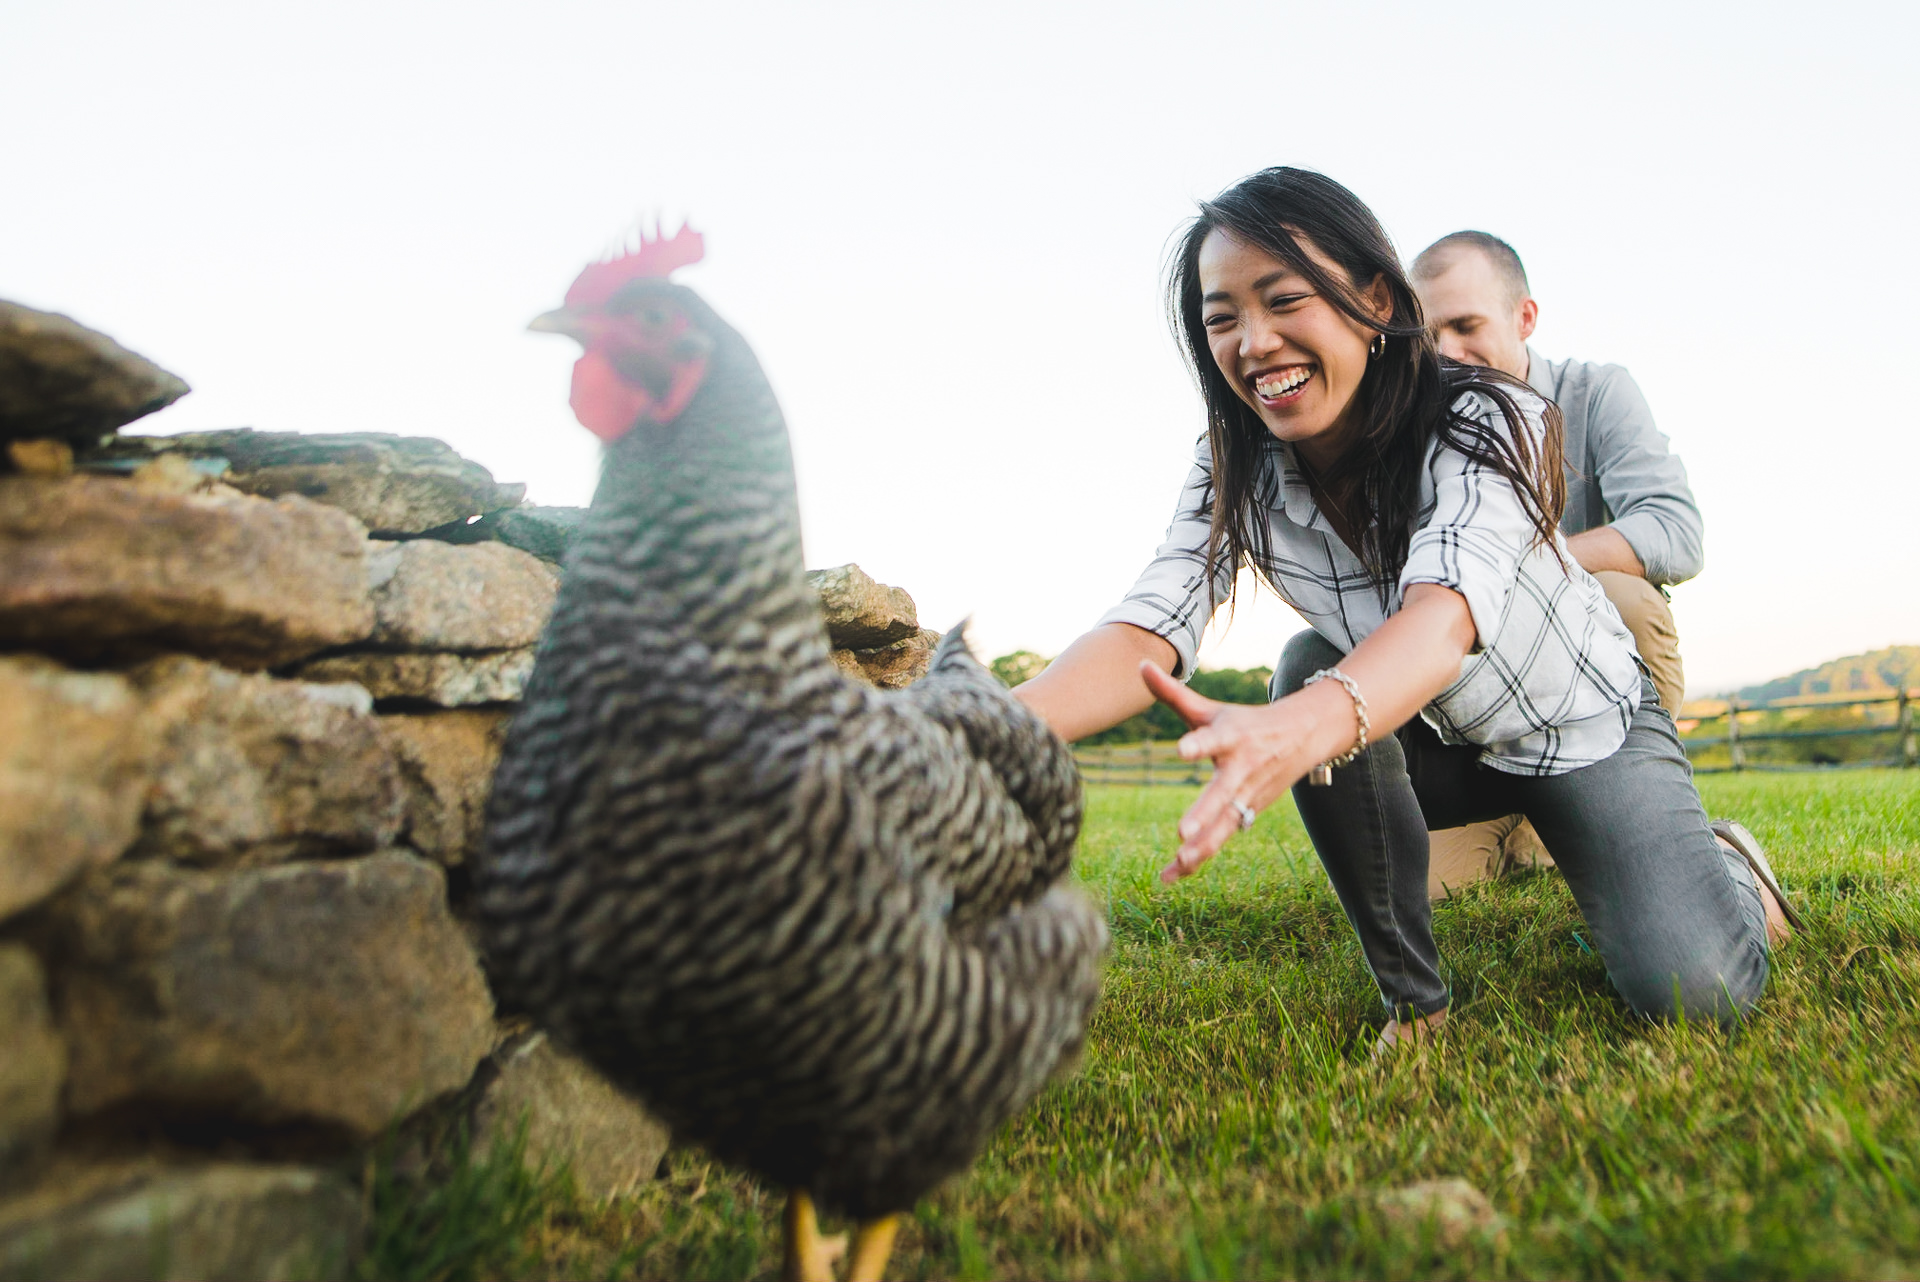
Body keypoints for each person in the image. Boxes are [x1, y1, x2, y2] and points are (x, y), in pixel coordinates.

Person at [1014, 167, 1797, 1049]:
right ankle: (1414, 1003)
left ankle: (1724, 864)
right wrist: (985, 728)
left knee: (1697, 992)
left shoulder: (1490, 415)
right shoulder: (1232, 461)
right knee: (1307, 662)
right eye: (1222, 318)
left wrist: (1308, 723)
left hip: (1580, 728)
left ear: (1375, 297)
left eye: (1284, 301)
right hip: (1431, 739)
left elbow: (1445, 613)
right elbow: (1151, 621)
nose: (1254, 342)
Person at [1409, 231, 1703, 899]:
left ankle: (1628, 800)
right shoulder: (1415, 433)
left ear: (1525, 318)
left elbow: (1675, 529)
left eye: (1465, 325)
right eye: (1427, 335)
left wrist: (1514, 559)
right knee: (1432, 891)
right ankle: (1512, 811)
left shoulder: (1599, 395)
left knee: (1622, 595)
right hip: (1477, 712)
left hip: (1600, 683)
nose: (1445, 352)